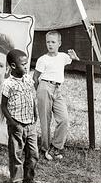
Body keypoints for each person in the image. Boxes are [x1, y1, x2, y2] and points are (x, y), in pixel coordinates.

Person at [33, 30, 80, 161]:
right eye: (48, 42)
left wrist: (75, 56)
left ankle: (56, 146)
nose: (50, 44)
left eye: (53, 42)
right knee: (45, 120)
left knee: (64, 119)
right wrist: (40, 91)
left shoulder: (63, 56)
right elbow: (35, 77)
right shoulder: (43, 59)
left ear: (59, 43)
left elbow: (74, 60)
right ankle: (46, 149)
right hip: (44, 87)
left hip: (58, 89)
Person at [1, 49, 40, 183]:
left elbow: (32, 98)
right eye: (23, 64)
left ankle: (29, 179)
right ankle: (16, 180)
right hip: (16, 125)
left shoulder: (28, 79)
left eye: (26, 64)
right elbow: (3, 106)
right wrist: (13, 123)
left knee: (34, 153)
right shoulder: (8, 84)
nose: (26, 67)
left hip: (30, 124)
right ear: (13, 66)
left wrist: (35, 116)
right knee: (16, 154)